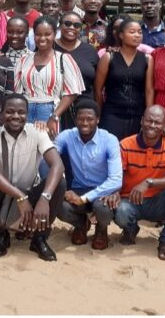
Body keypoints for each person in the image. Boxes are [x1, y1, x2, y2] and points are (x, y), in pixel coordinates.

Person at [0, 94, 66, 261]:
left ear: (27, 114)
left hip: (31, 194)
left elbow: (58, 165)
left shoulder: (38, 132)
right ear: (1, 114)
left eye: (21, 112)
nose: (16, 116)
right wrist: (20, 197)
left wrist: (44, 198)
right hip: (4, 194)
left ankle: (39, 238)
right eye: (10, 111)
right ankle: (1, 233)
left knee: (60, 183)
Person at [112, 105, 165, 260]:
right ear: (141, 121)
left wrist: (149, 182)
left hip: (158, 201)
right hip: (131, 199)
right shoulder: (126, 144)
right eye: (149, 120)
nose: (152, 125)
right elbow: (116, 175)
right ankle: (131, 230)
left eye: (157, 122)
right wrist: (114, 192)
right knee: (120, 210)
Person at [55, 100, 122, 250]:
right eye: (81, 118)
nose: (85, 123)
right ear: (75, 119)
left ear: (98, 119)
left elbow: (116, 180)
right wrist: (63, 184)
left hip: (102, 190)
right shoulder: (66, 136)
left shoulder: (109, 140)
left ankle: (101, 229)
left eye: (90, 119)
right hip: (79, 187)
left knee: (103, 208)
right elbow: (51, 158)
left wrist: (84, 199)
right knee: (58, 203)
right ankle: (81, 224)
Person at [14, 16, 84, 136]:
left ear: (55, 34)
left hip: (50, 110)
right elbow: (17, 92)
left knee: (47, 150)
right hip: (25, 111)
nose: (42, 38)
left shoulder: (64, 59)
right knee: (25, 150)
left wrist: (54, 116)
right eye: (38, 34)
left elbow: (72, 92)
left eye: (47, 34)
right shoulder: (23, 60)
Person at [94, 17, 152, 140]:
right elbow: (98, 90)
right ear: (121, 35)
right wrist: (98, 113)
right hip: (112, 114)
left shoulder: (147, 59)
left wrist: (149, 115)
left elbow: (149, 90)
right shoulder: (108, 57)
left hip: (138, 115)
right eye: (132, 32)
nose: (137, 35)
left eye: (139, 32)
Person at [53, 12, 99, 118]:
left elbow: (97, 86)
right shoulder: (49, 47)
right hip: (54, 107)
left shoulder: (90, 50)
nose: (72, 27)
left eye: (77, 25)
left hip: (84, 111)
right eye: (67, 23)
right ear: (60, 25)